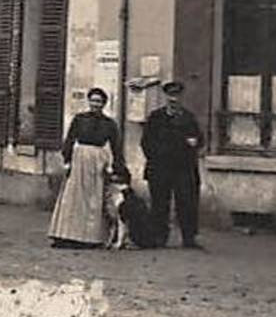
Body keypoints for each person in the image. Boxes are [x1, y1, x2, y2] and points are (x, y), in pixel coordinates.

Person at [48, 87, 124, 248]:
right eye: (93, 100)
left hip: (97, 161)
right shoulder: (79, 119)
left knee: (94, 199)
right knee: (73, 197)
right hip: (79, 159)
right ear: (89, 102)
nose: (95, 104)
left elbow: (116, 147)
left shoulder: (109, 124)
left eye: (99, 101)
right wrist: (67, 160)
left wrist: (117, 168)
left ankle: (91, 237)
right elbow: (69, 139)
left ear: (104, 104)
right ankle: (66, 235)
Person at [141, 80, 205, 249]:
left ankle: (189, 238)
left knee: (187, 202)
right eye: (170, 96)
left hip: (184, 168)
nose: (173, 99)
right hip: (160, 168)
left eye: (176, 96)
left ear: (181, 97)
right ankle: (159, 237)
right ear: (166, 97)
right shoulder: (156, 117)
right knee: (159, 204)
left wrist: (195, 142)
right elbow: (146, 142)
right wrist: (155, 158)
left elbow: (199, 139)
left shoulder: (188, 118)